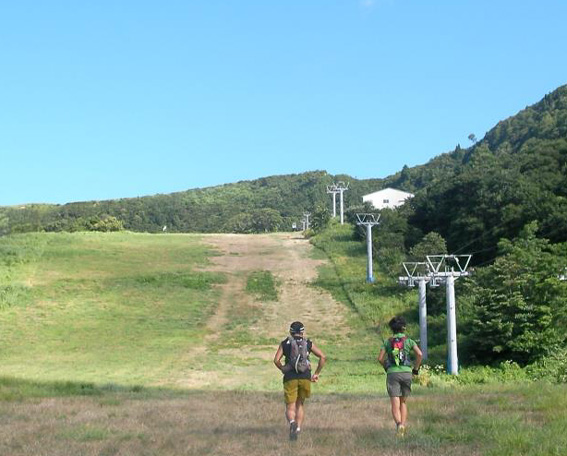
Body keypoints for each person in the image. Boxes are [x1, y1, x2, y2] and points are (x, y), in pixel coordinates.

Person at [273, 321, 326, 441]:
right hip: (305, 377)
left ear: (291, 331)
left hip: (290, 378)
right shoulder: (307, 343)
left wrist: (283, 368)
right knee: (300, 404)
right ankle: (298, 430)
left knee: (290, 406)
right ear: (302, 331)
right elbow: (323, 357)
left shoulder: (285, 343)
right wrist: (316, 373)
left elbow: (276, 360)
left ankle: (292, 423)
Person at [377, 316, 422, 437]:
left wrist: (387, 367)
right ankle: (403, 424)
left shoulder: (387, 342)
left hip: (392, 374)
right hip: (407, 372)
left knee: (394, 402)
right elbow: (419, 354)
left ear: (392, 329)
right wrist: (415, 370)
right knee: (403, 402)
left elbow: (380, 358)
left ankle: (399, 426)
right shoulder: (409, 341)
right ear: (403, 328)